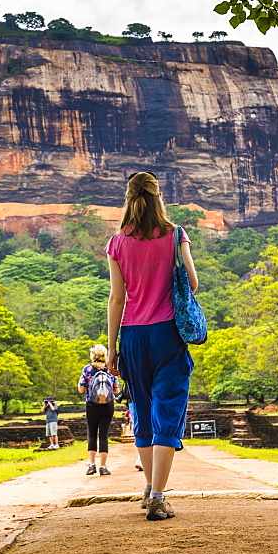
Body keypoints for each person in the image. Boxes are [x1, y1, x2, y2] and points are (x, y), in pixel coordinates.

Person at [106, 171, 198, 521]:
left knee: (141, 412)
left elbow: (117, 298)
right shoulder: (176, 235)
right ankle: (158, 496)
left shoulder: (117, 243)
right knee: (168, 412)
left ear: (128, 199)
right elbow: (191, 281)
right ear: (159, 197)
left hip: (132, 336)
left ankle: (147, 487)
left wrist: (113, 349)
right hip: (167, 334)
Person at [78, 343, 119, 475]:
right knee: (103, 435)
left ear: (93, 355)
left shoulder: (88, 369)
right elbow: (116, 390)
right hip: (107, 405)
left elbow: (81, 389)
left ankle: (91, 465)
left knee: (91, 434)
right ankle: (103, 466)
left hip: (92, 404)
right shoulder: (109, 369)